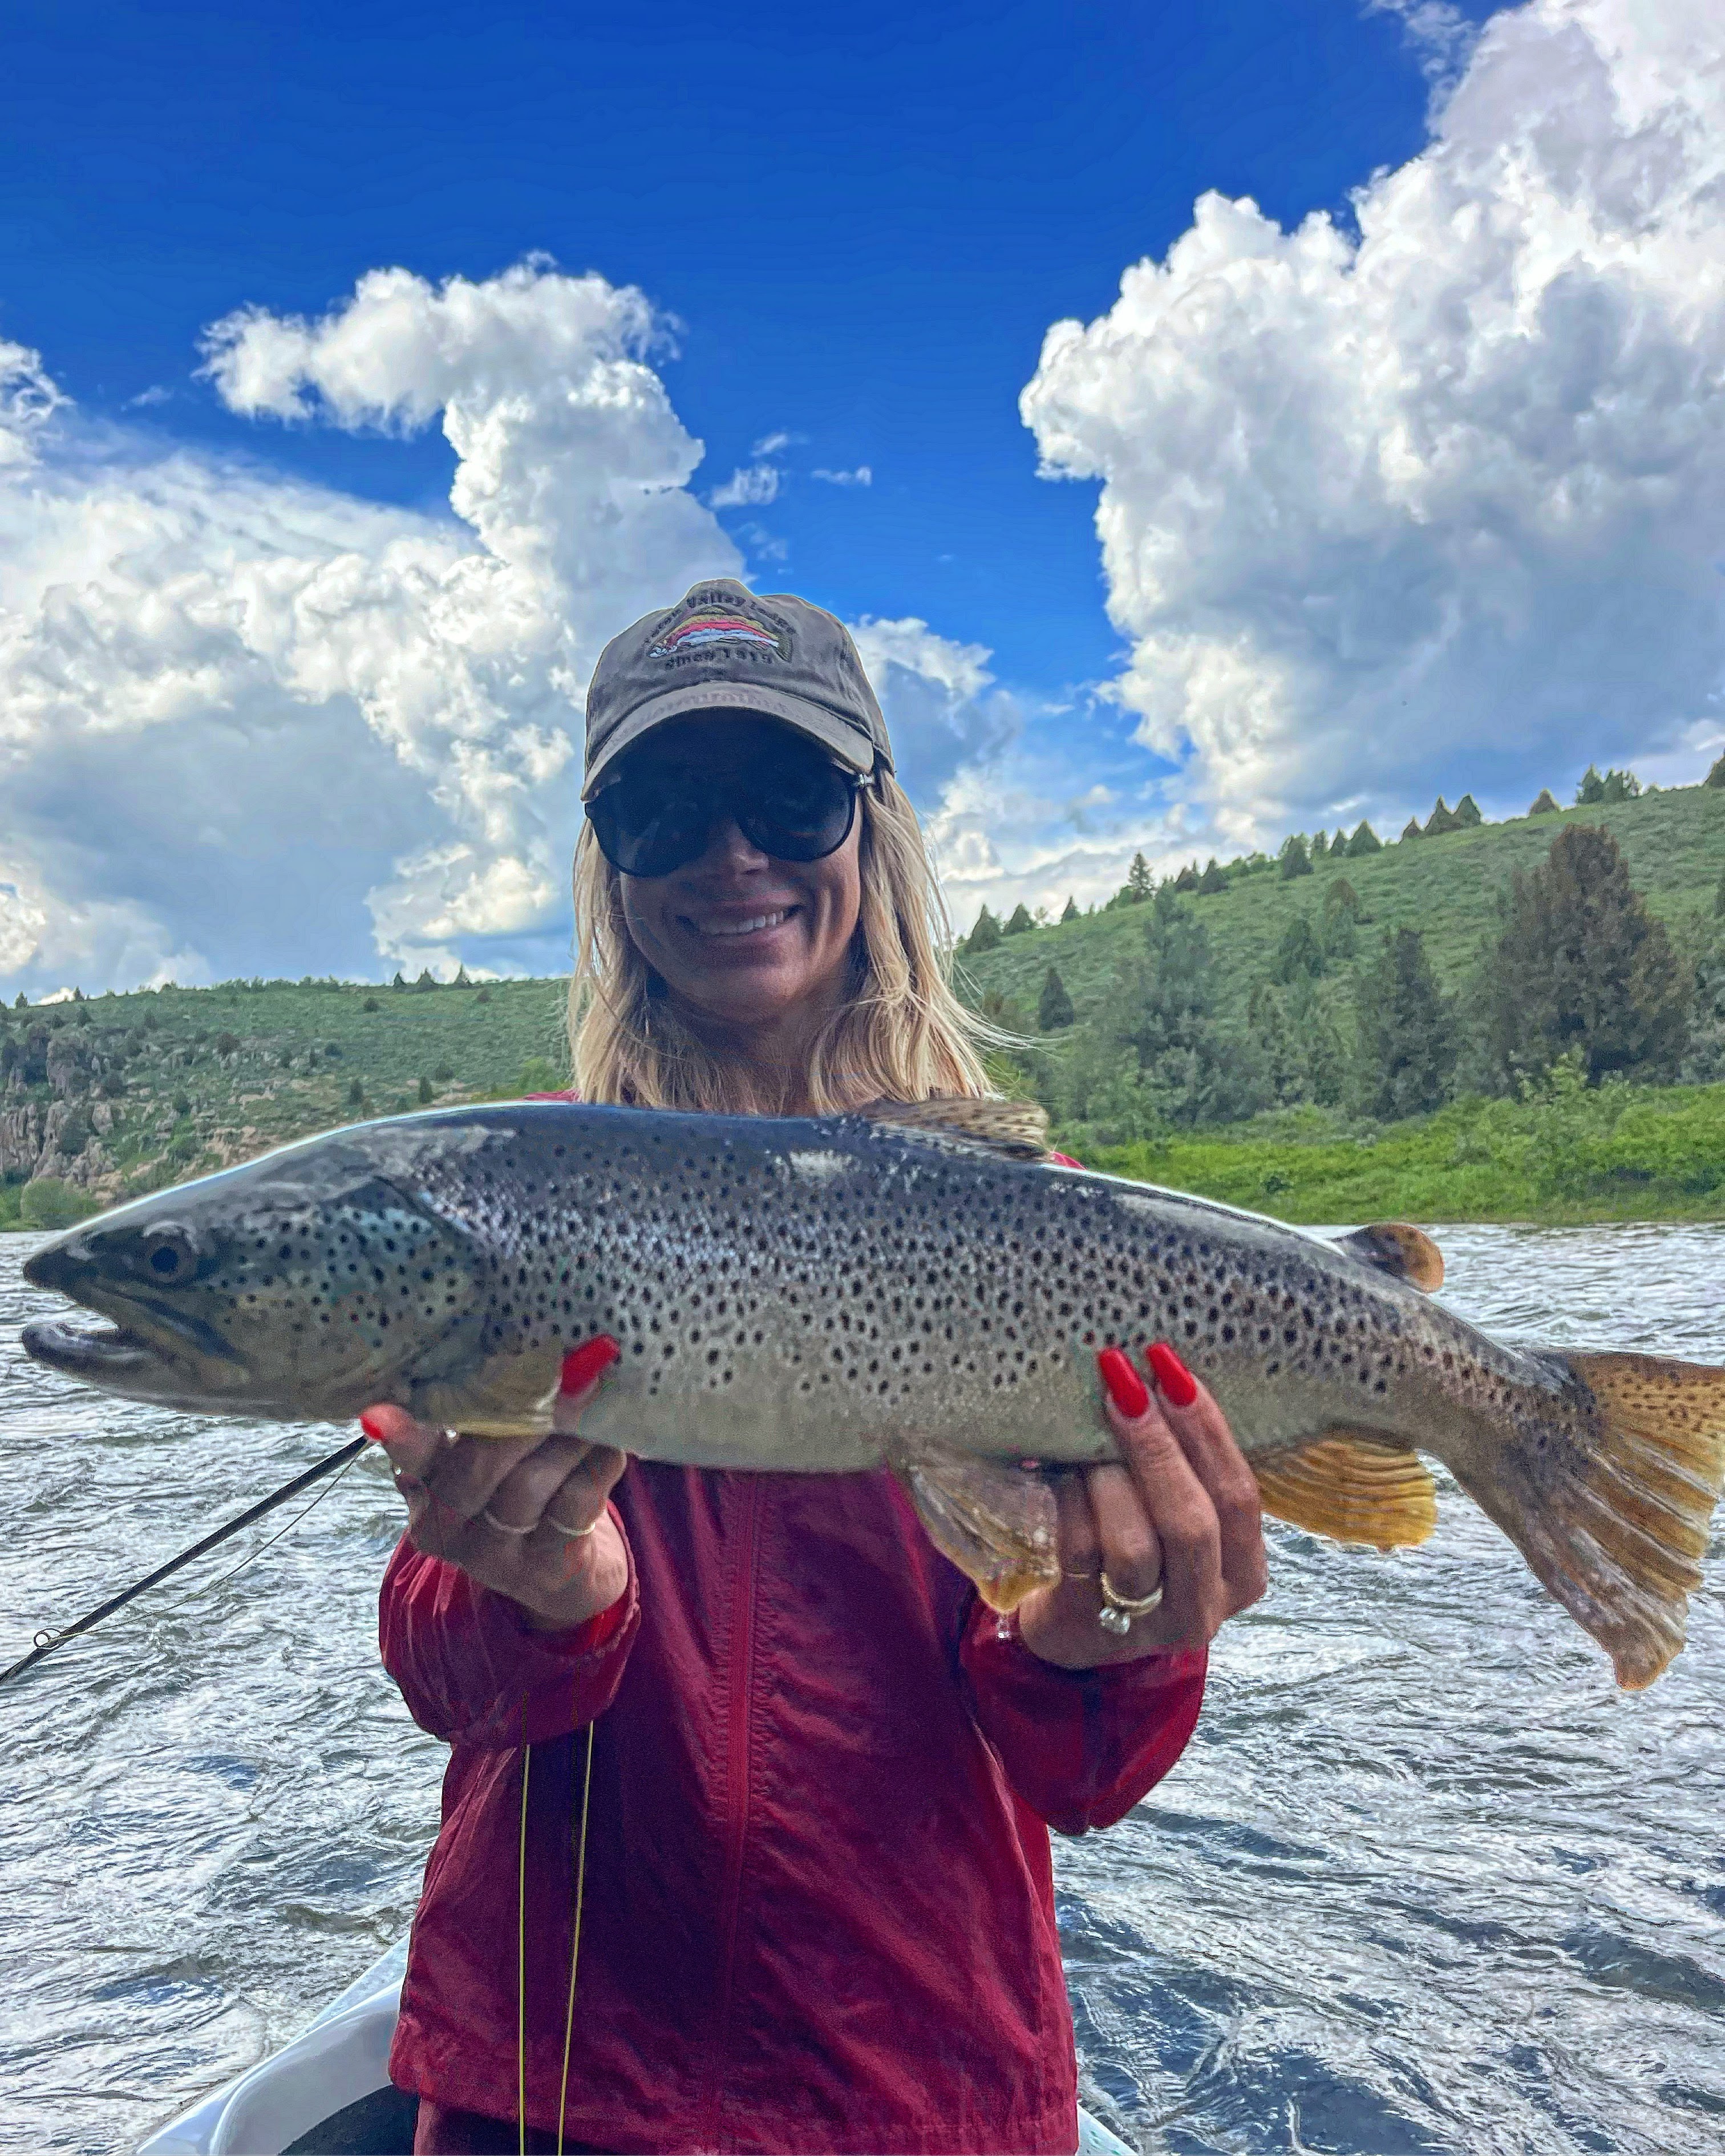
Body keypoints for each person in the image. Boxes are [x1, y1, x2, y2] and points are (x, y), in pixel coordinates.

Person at [362, 580, 1268, 2155]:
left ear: (871, 828)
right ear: (609, 864)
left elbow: (1084, 1776)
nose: (733, 858)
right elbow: (451, 1681)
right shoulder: (521, 1194)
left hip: (915, 2092)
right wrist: (543, 1595)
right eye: (662, 809)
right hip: (564, 2083)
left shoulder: (1029, 1232)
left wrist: (1114, 1636)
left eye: (788, 794)